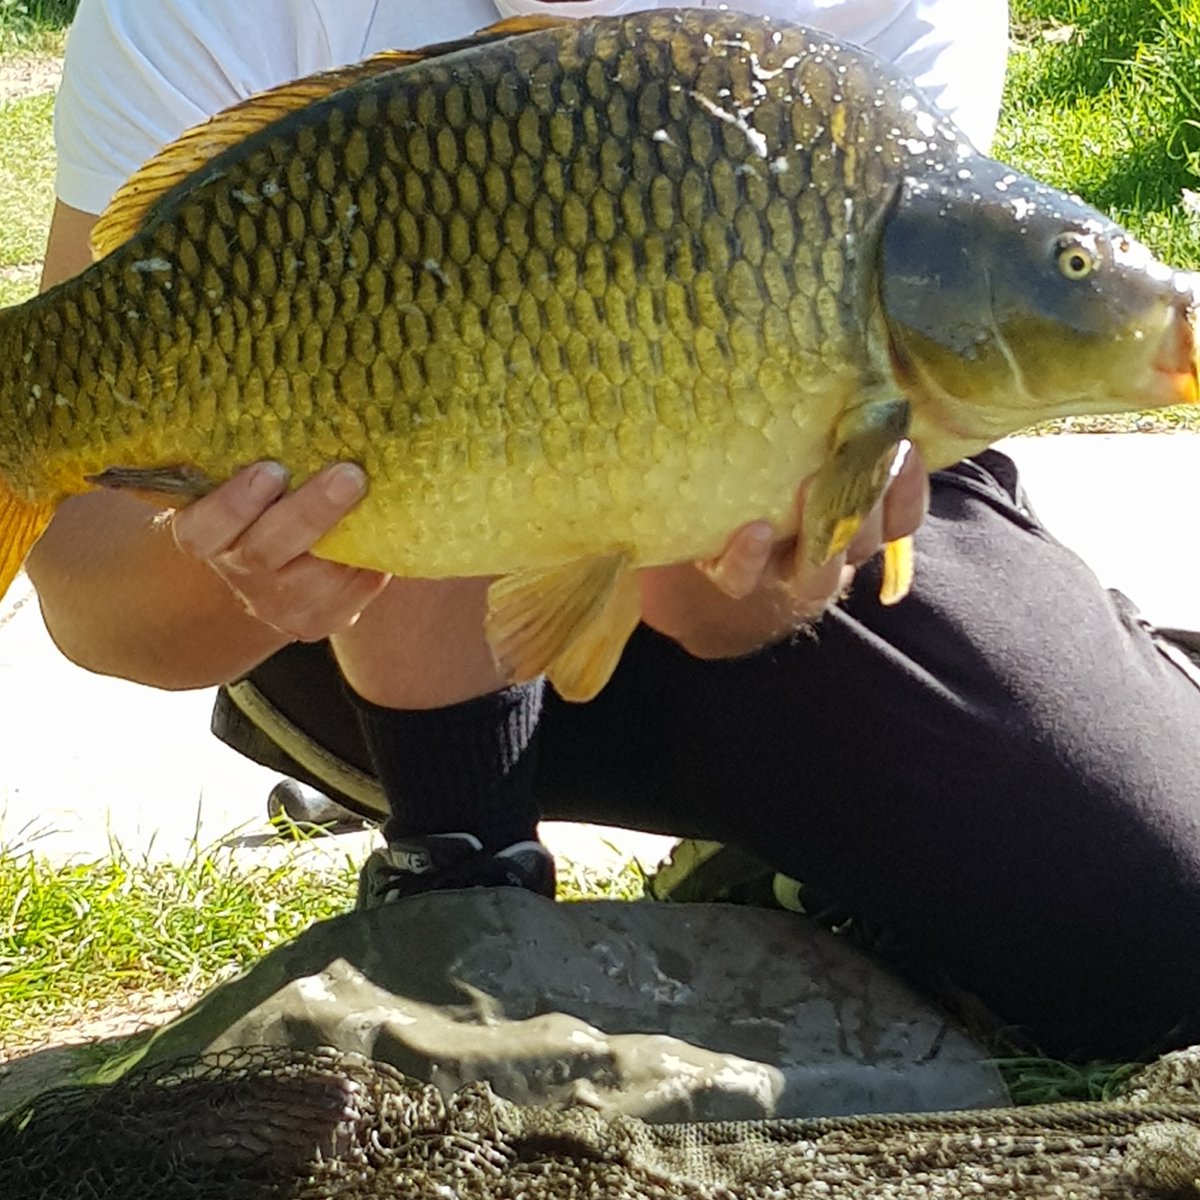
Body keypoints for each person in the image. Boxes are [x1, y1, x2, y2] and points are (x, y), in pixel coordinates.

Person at [26, 0, 1200, 1061]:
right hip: (356, 613)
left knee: (1151, 926)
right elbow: (94, 601)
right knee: (462, 380)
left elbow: (709, 601)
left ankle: (792, 842)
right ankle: (458, 849)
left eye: (1073, 263)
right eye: (1074, 263)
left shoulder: (869, 71)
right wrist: (243, 574)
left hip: (762, 581)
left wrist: (777, 550)